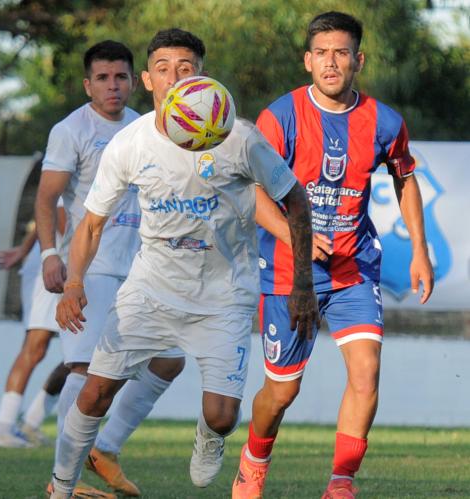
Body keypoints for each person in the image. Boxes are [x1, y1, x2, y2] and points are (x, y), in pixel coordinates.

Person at [49, 28, 318, 499]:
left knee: (222, 416)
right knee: (94, 391)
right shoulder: (130, 143)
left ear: (202, 74)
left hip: (225, 294)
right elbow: (91, 223)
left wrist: (303, 284)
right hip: (151, 291)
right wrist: (74, 283)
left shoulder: (239, 136)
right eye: (163, 69)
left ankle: (209, 436)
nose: (174, 78)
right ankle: (60, 485)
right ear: (147, 80)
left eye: (185, 68)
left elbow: (295, 199)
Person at [232, 11, 434, 499]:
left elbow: (405, 178)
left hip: (353, 267)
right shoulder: (280, 117)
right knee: (282, 391)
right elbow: (251, 193)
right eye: (321, 53)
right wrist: (295, 236)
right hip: (288, 270)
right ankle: (254, 460)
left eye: (341, 53)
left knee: (366, 373)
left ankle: (341, 482)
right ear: (307, 61)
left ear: (358, 60)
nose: (330, 62)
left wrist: (419, 250)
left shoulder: (385, 122)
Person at [33, 40, 187, 497]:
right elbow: (46, 197)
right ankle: (65, 480)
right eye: (102, 78)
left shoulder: (146, 126)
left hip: (141, 268)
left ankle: (105, 447)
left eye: (120, 76)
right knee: (83, 367)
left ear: (134, 80)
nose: (112, 86)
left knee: (169, 359)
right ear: (88, 85)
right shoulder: (70, 130)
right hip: (92, 268)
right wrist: (50, 255)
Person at [0, 184, 70, 449]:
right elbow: (57, 217)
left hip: (79, 268)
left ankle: (31, 423)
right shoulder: (81, 166)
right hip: (54, 269)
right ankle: (3, 428)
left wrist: (23, 250)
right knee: (35, 347)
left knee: (82, 354)